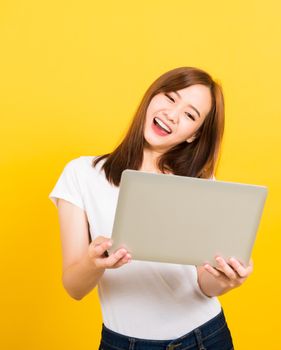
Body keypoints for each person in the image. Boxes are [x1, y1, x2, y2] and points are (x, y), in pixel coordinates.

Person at [49, 67, 253, 350]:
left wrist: (227, 280)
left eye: (190, 115)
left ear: (193, 135)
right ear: (151, 98)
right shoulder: (81, 174)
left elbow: (205, 286)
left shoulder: (199, 183)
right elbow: (74, 287)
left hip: (205, 337)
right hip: (124, 343)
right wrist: (94, 263)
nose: (172, 114)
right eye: (170, 98)